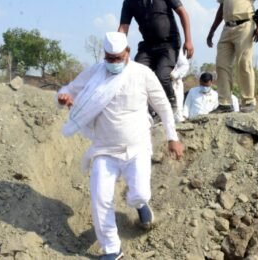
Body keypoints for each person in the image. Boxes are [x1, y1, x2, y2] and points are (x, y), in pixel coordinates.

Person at [57, 32, 184, 260]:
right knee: (100, 198)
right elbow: (68, 89)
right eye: (109, 58)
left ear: (127, 52)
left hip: (137, 148)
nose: (113, 62)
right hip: (104, 150)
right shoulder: (96, 72)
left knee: (139, 194)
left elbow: (163, 106)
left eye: (118, 57)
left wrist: (172, 138)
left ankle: (140, 205)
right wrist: (63, 97)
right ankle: (113, 250)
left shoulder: (142, 73)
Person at [118, 0, 194, 110]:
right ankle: (146, 108)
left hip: (169, 43)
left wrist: (188, 40)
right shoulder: (129, 2)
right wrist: (118, 49)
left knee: (162, 75)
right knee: (135, 73)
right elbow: (123, 27)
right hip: (148, 46)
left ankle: (171, 100)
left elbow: (182, 13)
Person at [207, 0, 258, 113]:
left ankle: (248, 101)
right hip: (227, 27)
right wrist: (212, 30)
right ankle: (225, 103)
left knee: (244, 63)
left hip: (245, 25)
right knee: (221, 64)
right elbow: (222, 7)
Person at [171, 49, 190, 122]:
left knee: (177, 111)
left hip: (174, 83)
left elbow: (184, 65)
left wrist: (173, 75)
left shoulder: (175, 47)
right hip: (158, 83)